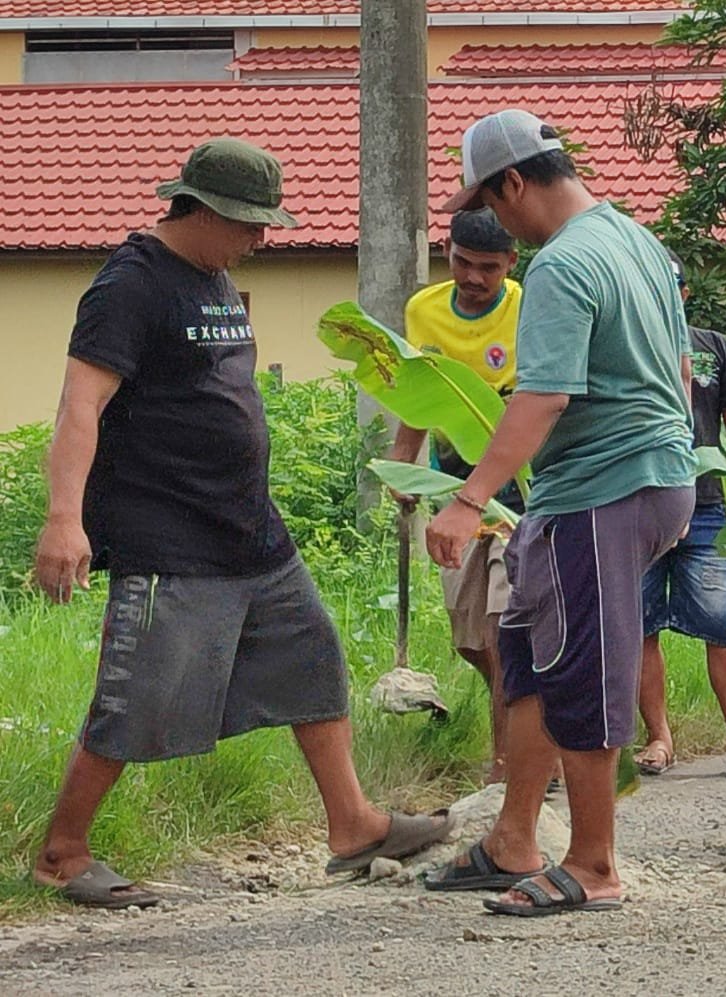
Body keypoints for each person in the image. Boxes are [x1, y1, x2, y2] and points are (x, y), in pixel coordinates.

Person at [30, 138, 449, 909]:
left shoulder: (215, 277)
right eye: (251, 224)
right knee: (136, 698)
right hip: (170, 537)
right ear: (204, 209)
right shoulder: (132, 285)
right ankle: (62, 851)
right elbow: (79, 405)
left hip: (250, 530)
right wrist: (65, 519)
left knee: (313, 658)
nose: (261, 238)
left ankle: (353, 824)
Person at [423, 109, 695, 913]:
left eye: (492, 201)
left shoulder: (560, 265)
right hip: (620, 479)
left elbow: (544, 395)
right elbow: (680, 367)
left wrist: (470, 499)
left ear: (515, 181)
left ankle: (595, 864)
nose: (495, 220)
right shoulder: (635, 239)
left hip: (605, 487)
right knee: (530, 646)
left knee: (583, 662)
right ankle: (514, 837)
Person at [635, 250, 726, 781]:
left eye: (669, 286)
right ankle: (658, 738)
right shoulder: (624, 344)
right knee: (639, 626)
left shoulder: (714, 349)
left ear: (683, 292)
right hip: (639, 505)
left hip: (708, 507)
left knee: (723, 626)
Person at [387, 208, 522, 784]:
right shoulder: (423, 311)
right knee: (471, 640)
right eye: (464, 263)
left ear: (510, 266)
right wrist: (403, 467)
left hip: (523, 489)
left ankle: (506, 767)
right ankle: (533, 714)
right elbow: (422, 396)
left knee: (502, 630)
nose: (473, 277)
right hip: (452, 486)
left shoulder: (527, 306)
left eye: (487, 268)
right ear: (448, 253)